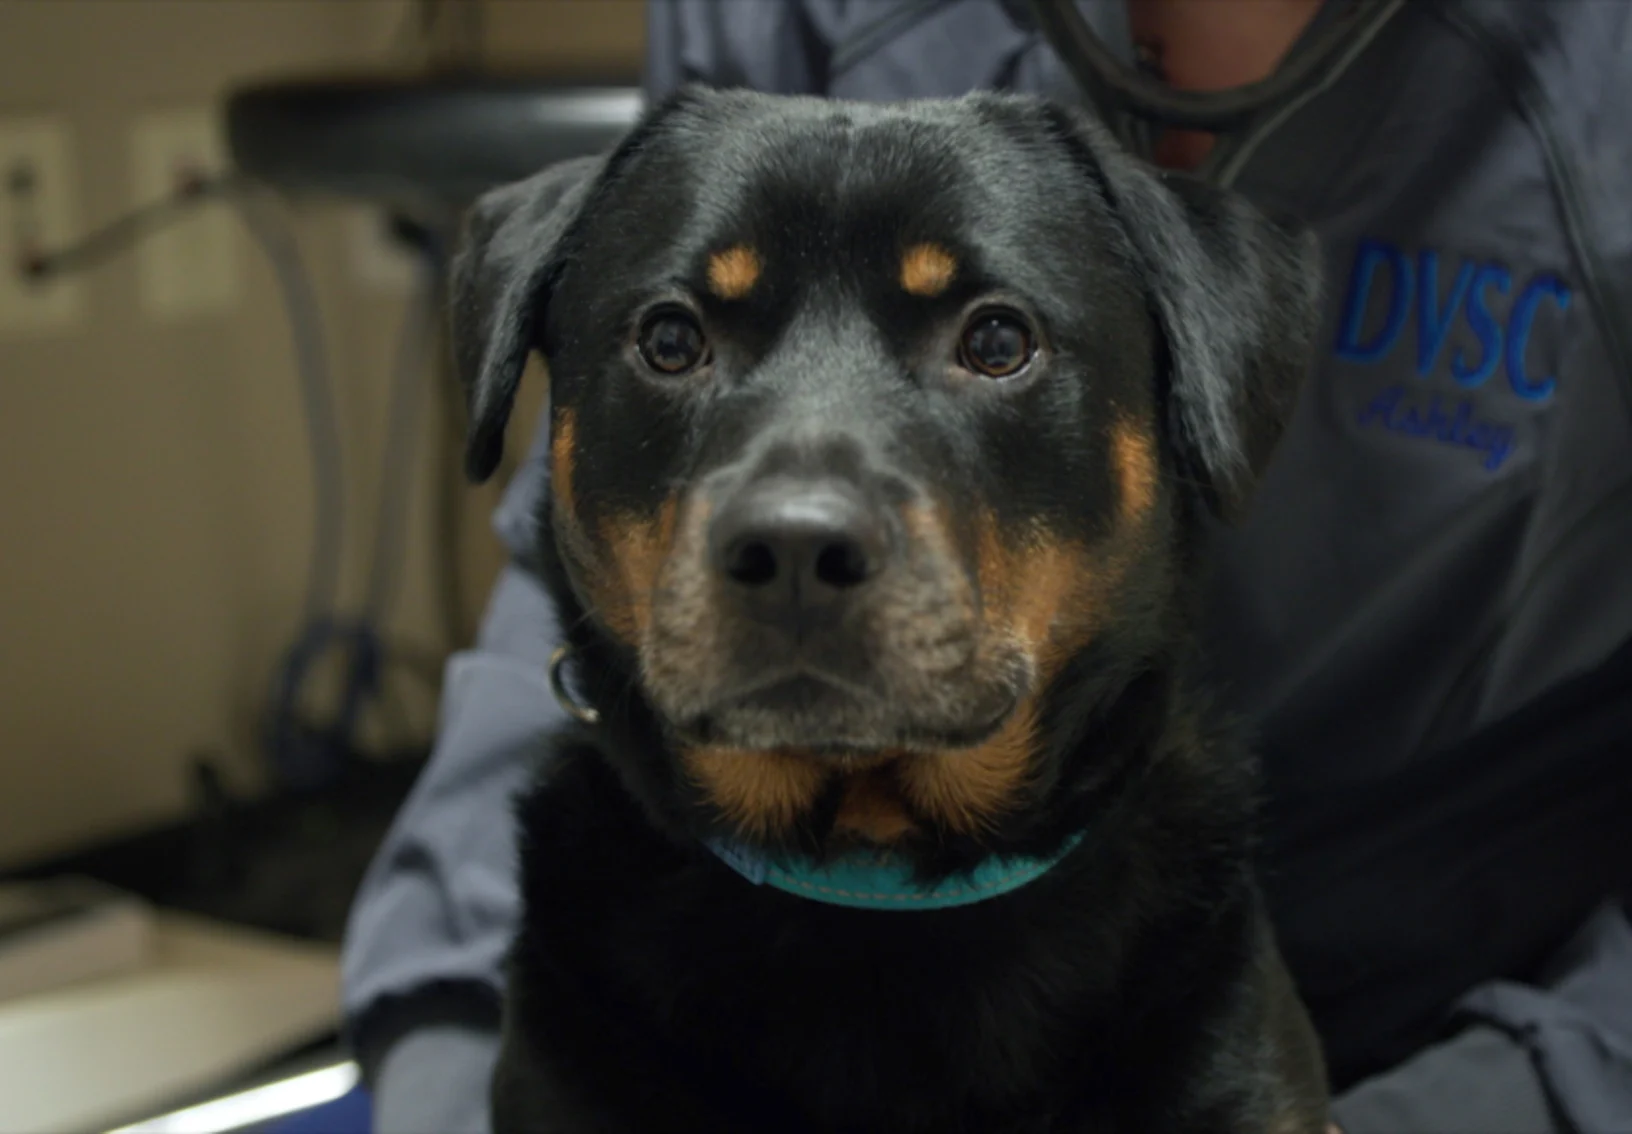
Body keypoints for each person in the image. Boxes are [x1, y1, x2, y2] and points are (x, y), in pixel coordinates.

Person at [341, 3, 1632, 1131]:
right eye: (676, 340)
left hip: (1422, 1002)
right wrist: (451, 1051)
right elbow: (545, 600)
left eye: (994, 339)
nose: (798, 518)